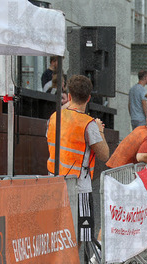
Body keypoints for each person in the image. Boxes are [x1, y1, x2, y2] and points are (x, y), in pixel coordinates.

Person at [46, 75, 109, 245]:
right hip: (80, 186)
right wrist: (100, 131)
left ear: (69, 95)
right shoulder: (89, 124)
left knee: (57, 231)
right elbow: (104, 155)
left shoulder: (55, 117)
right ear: (89, 98)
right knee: (80, 235)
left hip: (54, 182)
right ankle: (74, 262)